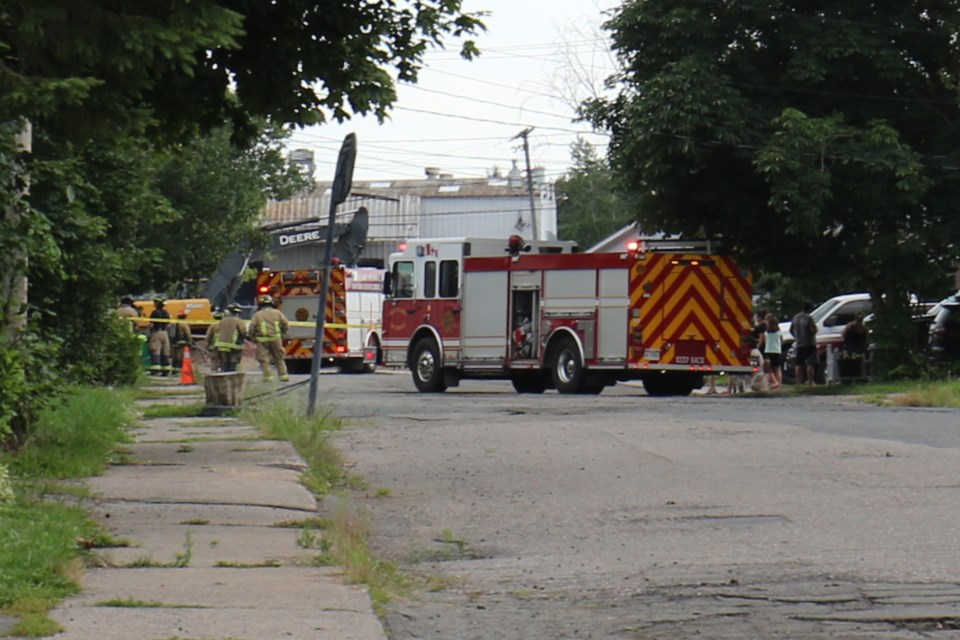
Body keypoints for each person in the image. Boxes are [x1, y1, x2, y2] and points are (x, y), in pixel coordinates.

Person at [249, 294, 290, 381]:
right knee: (279, 358)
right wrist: (282, 334)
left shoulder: (257, 315)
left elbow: (251, 328)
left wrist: (252, 338)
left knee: (263, 359)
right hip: (276, 339)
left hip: (262, 341)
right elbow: (286, 324)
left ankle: (268, 377)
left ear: (260, 304)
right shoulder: (278, 313)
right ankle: (283, 376)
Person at [213, 303, 246, 373]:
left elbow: (217, 331)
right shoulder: (238, 321)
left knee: (225, 360)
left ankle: (224, 373)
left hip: (221, 344)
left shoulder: (222, 320)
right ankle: (232, 373)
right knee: (234, 359)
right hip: (233, 345)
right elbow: (243, 331)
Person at [791, 301, 818, 385]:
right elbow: (813, 330)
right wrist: (816, 329)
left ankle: (798, 382)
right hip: (809, 343)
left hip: (799, 343)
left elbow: (791, 329)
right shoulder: (809, 318)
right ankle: (810, 381)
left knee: (799, 364)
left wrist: (796, 337)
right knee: (810, 363)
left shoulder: (795, 317)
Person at [148, 296, 172, 376]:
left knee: (155, 350)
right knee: (165, 351)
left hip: (156, 332)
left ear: (157, 303)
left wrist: (150, 333)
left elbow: (151, 325)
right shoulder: (166, 312)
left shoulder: (154, 312)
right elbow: (169, 325)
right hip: (165, 333)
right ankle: (166, 370)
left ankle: (155, 370)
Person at [841, 311, 869, 379]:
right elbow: (867, 338)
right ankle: (859, 376)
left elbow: (843, 334)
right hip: (860, 348)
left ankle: (848, 377)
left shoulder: (850, 325)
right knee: (859, 362)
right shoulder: (864, 328)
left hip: (849, 348)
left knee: (848, 362)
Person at [759, 313, 783, 390]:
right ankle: (779, 383)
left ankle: (773, 382)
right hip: (777, 351)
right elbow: (781, 340)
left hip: (768, 351)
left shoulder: (766, 333)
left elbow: (765, 342)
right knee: (778, 369)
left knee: (769, 369)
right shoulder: (779, 332)